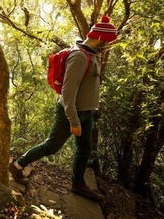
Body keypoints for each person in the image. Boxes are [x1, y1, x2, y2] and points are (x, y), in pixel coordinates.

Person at [8, 15, 118, 202]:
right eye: (106, 41)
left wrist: (92, 108)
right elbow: (68, 92)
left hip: (86, 111)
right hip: (72, 112)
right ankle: (18, 165)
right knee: (52, 145)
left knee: (84, 148)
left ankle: (78, 183)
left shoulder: (91, 54)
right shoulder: (79, 57)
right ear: (99, 38)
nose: (106, 45)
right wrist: (73, 119)